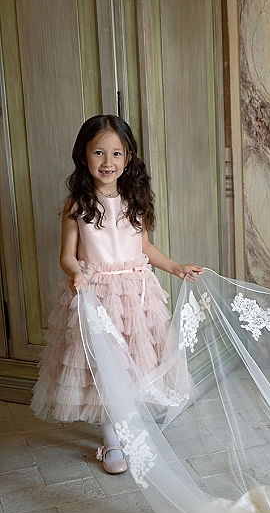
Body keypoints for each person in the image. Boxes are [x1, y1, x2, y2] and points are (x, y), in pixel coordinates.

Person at [30, 114, 204, 474]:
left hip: (137, 294)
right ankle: (112, 441)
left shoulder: (134, 199)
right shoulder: (77, 204)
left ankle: (130, 425)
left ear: (128, 158)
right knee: (104, 371)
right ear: (84, 155)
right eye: (98, 153)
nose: (107, 162)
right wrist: (76, 274)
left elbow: (146, 248)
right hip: (97, 294)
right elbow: (67, 255)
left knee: (136, 363)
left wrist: (176, 267)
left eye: (116, 154)